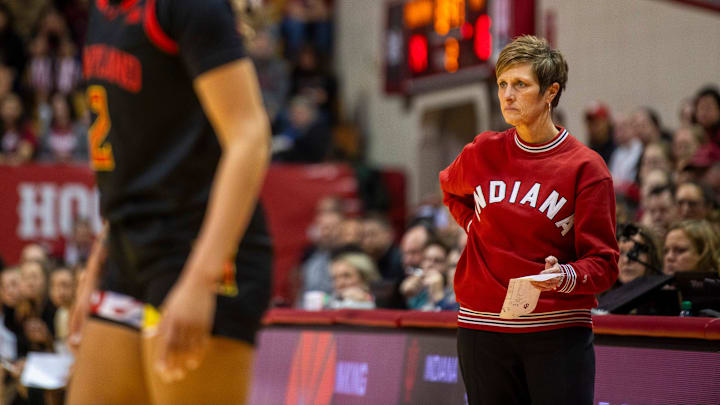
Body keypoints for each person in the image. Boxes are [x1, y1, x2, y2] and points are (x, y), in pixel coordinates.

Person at [67, 1, 273, 404]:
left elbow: (250, 138)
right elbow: (133, 161)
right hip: (129, 253)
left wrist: (201, 279)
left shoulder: (188, 6)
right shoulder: (100, 11)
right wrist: (99, 263)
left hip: (196, 248)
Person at [439, 36, 618, 405]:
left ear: (550, 92)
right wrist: (473, 226)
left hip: (555, 332)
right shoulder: (481, 152)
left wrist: (564, 276)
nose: (507, 95)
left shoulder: (586, 168)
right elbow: (450, 190)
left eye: (520, 85)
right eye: (502, 84)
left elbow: (604, 264)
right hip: (481, 327)